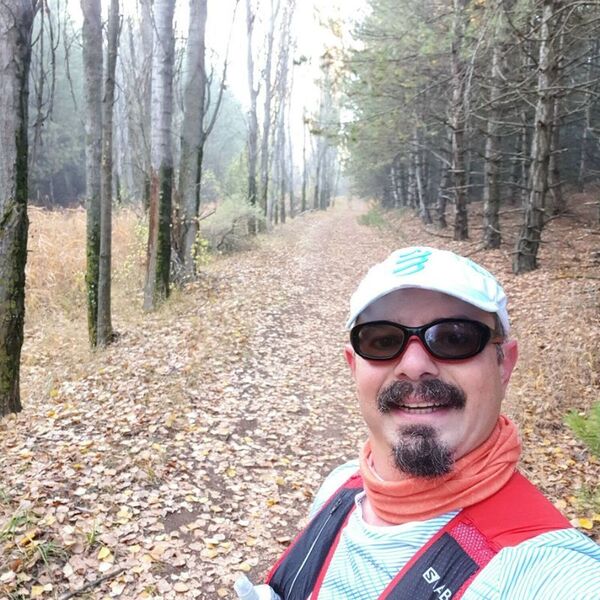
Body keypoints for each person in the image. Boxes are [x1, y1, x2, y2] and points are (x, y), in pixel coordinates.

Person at [265, 246, 600, 599]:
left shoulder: (546, 571)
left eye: (454, 338)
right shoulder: (339, 489)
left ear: (504, 364)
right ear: (354, 366)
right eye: (382, 341)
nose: (413, 364)